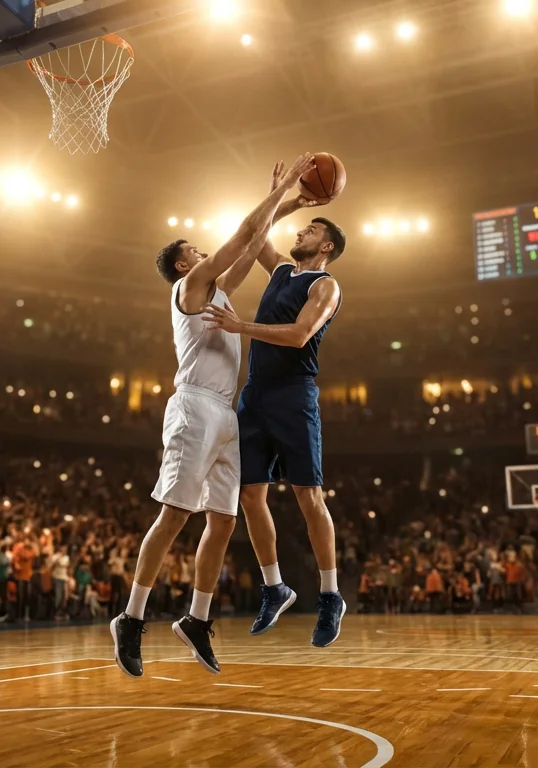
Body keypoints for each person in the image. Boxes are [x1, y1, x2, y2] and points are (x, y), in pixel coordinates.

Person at [112, 155, 316, 679]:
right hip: (195, 407)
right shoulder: (190, 288)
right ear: (184, 264)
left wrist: (289, 203)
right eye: (195, 251)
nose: (203, 252)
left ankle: (196, 620)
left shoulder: (220, 293)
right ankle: (131, 617)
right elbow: (245, 231)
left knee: (224, 523)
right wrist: (287, 189)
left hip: (225, 414)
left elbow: (252, 243)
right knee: (175, 516)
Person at [202, 169, 348, 648]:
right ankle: (274, 585)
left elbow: (300, 335)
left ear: (326, 247)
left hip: (294, 393)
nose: (303, 231)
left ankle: (329, 595)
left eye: (313, 230)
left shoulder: (325, 287)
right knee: (249, 495)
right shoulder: (283, 269)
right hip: (256, 393)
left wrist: (240, 326)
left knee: (308, 497)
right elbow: (255, 232)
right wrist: (278, 195)